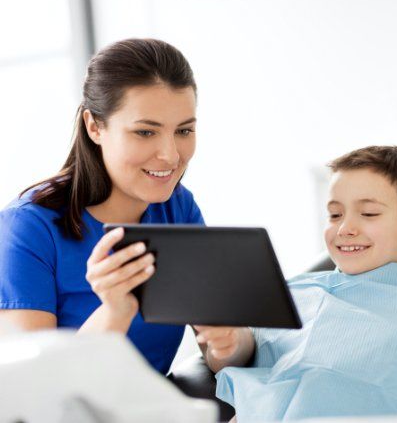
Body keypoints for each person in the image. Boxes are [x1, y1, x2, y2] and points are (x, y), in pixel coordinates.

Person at [0, 38, 251, 375]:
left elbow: (223, 358)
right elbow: (36, 386)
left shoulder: (178, 209)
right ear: (94, 126)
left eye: (184, 130)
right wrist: (115, 312)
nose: (171, 155)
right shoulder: (27, 228)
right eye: (145, 132)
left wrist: (229, 342)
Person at [196, 146, 397, 421]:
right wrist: (228, 344)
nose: (345, 228)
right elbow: (245, 353)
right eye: (335, 214)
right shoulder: (297, 293)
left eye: (369, 213)